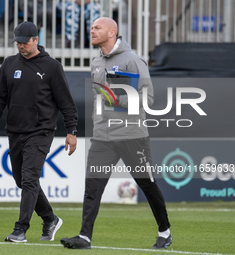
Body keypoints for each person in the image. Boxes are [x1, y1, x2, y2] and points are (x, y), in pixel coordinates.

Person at [60, 17, 172, 249]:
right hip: (103, 136)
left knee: (147, 185)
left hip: (132, 136)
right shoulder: (96, 62)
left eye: (96, 28)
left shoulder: (133, 60)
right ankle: (84, 237)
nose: (91, 31)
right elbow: (99, 100)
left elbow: (148, 99)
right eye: (90, 27)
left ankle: (165, 232)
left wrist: (116, 98)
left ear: (112, 33)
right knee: (93, 187)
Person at [0, 21, 78, 243]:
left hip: (41, 131)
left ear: (36, 40)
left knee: (30, 178)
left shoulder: (52, 67)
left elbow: (66, 103)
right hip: (15, 131)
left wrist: (71, 130)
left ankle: (20, 229)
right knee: (21, 180)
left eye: (25, 42)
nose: (21, 46)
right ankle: (50, 218)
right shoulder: (8, 64)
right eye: (18, 43)